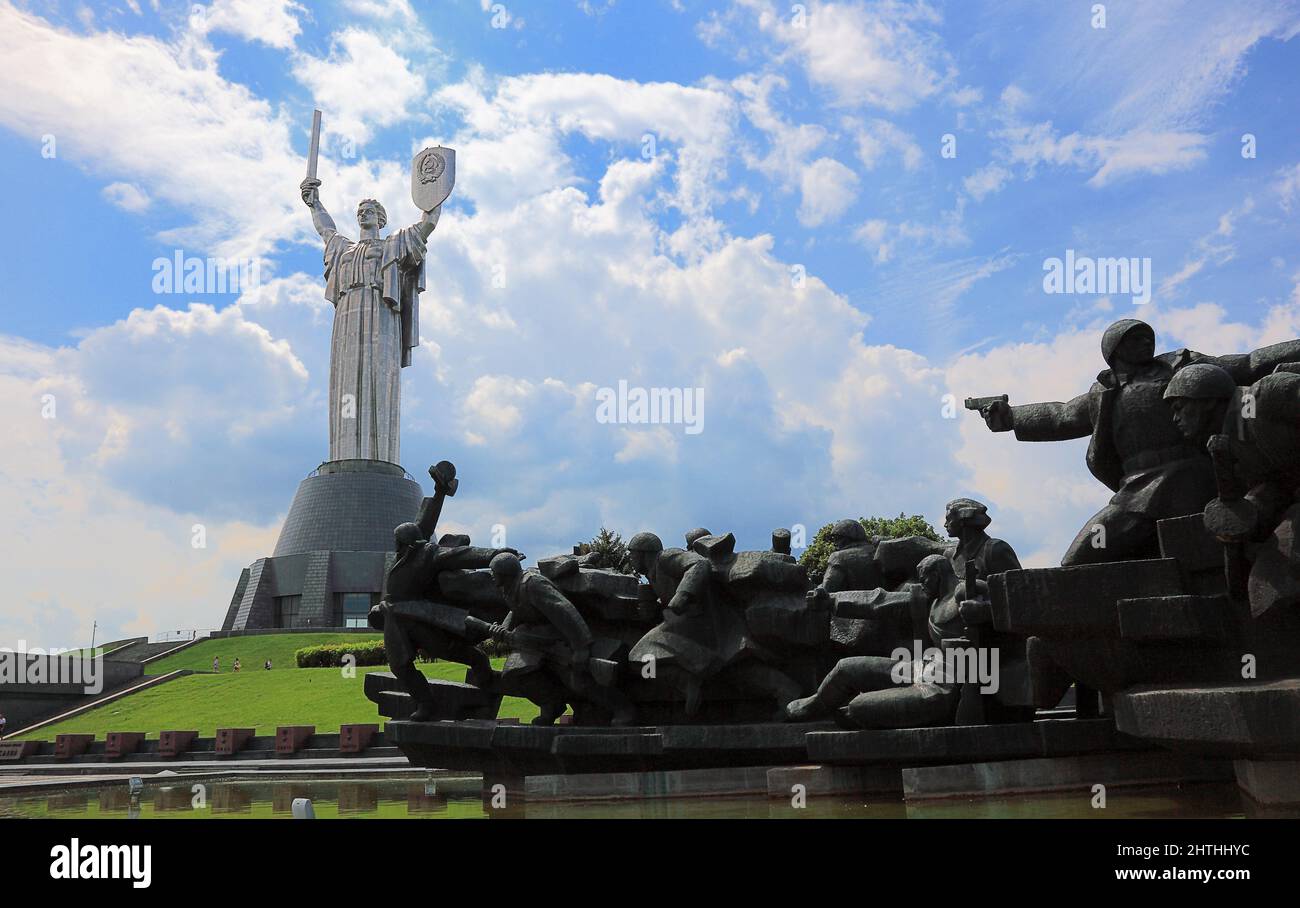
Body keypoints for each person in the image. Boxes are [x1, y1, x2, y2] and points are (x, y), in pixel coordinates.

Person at [976, 318, 1300, 565]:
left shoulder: (1180, 366)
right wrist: (1011, 417)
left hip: (1195, 475)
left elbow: (1250, 362)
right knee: (1081, 557)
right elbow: (1062, 415)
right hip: (1135, 490)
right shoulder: (1103, 392)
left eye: (1148, 336)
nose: (1147, 342)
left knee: (1207, 550)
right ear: (1114, 350)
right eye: (1135, 338)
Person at [299, 177, 441, 464]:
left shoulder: (392, 245)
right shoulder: (344, 249)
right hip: (347, 317)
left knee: (378, 375)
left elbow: (426, 226)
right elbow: (326, 230)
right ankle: (344, 456)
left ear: (381, 219)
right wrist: (314, 203)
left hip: (380, 312)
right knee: (347, 381)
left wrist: (435, 194)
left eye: (369, 211)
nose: (363, 214)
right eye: (360, 212)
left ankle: (378, 456)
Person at [784, 555, 974, 727]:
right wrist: (830, 600)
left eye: (924, 579)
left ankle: (862, 714)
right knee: (845, 668)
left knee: (858, 706)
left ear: (937, 574)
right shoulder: (929, 599)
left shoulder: (963, 593)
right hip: (921, 668)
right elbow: (880, 601)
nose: (921, 584)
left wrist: (983, 608)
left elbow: (984, 593)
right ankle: (818, 702)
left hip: (943, 686)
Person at [628, 532, 801, 717]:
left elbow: (699, 564)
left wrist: (683, 594)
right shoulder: (652, 575)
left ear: (643, 552)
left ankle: (688, 681)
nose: (630, 559)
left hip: (703, 623)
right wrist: (651, 609)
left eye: (632, 554)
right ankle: (787, 691)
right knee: (734, 670)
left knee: (641, 655)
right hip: (691, 628)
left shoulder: (665, 557)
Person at [486, 553, 636, 726]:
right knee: (516, 672)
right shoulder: (508, 587)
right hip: (535, 640)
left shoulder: (533, 584)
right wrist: (503, 629)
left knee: (579, 681)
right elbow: (516, 609)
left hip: (561, 639)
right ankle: (551, 705)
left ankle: (623, 708)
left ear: (505, 573)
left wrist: (581, 648)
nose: (491, 576)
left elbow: (565, 611)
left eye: (494, 572)